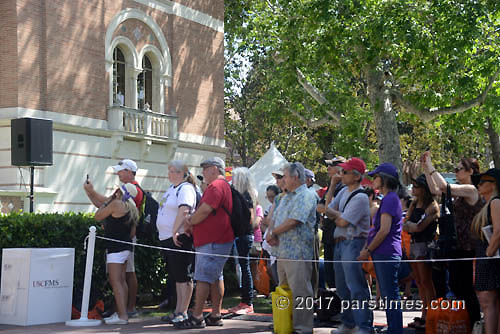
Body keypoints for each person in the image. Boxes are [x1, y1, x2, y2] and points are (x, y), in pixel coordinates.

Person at [421, 152, 482, 325]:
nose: (456, 172)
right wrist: (426, 169)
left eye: (459, 169)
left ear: (470, 171)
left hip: (467, 246)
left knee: (464, 287)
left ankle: (475, 322)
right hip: (456, 245)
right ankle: (468, 321)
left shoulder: (471, 190)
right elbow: (435, 190)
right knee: (456, 285)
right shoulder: (459, 192)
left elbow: (443, 187)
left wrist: (431, 166)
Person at [174, 157, 234, 329]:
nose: (203, 172)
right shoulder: (222, 186)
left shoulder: (216, 186)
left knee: (203, 278)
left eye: (205, 168)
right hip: (217, 240)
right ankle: (215, 314)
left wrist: (189, 221)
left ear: (215, 169)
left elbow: (205, 211)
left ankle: (197, 316)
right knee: (215, 277)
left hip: (213, 241)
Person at [84, 159, 143, 317]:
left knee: (117, 280)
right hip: (125, 244)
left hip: (118, 246)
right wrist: (91, 193)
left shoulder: (119, 203)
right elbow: (104, 204)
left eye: (122, 171)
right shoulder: (125, 203)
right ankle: (122, 312)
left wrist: (94, 193)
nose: (119, 173)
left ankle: (124, 313)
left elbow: (99, 213)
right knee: (121, 279)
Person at [266, 162, 317, 334]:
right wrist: (271, 233)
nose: (282, 180)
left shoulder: (307, 195)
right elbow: (276, 218)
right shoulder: (286, 197)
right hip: (282, 251)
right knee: (284, 290)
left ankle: (302, 328)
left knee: (301, 292)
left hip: (298, 253)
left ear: (295, 177)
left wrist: (273, 233)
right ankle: (284, 324)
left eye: (285, 176)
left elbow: (295, 220)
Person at [326, 157, 373, 334]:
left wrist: (335, 214)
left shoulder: (360, 197)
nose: (341, 174)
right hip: (340, 244)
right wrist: (332, 186)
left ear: (356, 176)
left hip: (353, 243)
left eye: (345, 172)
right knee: (342, 287)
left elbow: (343, 221)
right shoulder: (343, 191)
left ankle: (363, 326)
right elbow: (328, 208)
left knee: (356, 286)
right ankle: (349, 323)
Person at [359, 163, 403, 334]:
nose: (373, 180)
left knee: (390, 295)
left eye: (375, 177)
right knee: (388, 294)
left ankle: (395, 330)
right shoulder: (389, 199)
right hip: (383, 253)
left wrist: (367, 250)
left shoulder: (390, 199)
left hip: (387, 253)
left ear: (384, 179)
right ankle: (393, 328)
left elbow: (384, 230)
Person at [157, 161, 197, 324]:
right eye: (169, 171)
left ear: (182, 174)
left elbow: (184, 210)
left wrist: (174, 231)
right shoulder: (172, 189)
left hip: (179, 237)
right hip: (167, 238)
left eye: (173, 171)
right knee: (176, 276)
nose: (169, 174)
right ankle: (177, 310)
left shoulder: (186, 188)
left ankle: (183, 311)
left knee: (183, 277)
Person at [402, 174, 438, 329]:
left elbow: (419, 227)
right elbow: (406, 224)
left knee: (426, 282)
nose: (413, 189)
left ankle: (430, 314)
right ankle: (424, 314)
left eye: (416, 186)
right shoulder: (414, 203)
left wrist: (411, 226)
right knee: (419, 282)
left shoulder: (432, 206)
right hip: (414, 244)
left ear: (424, 189)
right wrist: (411, 226)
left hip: (425, 245)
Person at [471, 168, 500, 334]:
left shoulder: (496, 202)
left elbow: (498, 232)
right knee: (491, 303)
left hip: (491, 259)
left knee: (488, 302)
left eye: (483, 182)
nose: (479, 185)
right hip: (487, 258)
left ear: (494, 184)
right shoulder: (487, 204)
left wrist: (488, 255)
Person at [228, 167, 258, 315]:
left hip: (243, 235)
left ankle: (248, 302)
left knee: (244, 267)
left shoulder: (246, 195)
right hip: (241, 234)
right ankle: (245, 301)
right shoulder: (243, 194)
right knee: (242, 267)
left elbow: (251, 218)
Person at [317, 156, 346, 289]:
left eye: (331, 166)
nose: (328, 169)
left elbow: (329, 209)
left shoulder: (343, 188)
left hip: (339, 235)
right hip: (329, 234)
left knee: (341, 274)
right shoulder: (331, 186)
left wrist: (327, 210)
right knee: (330, 273)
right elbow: (319, 207)